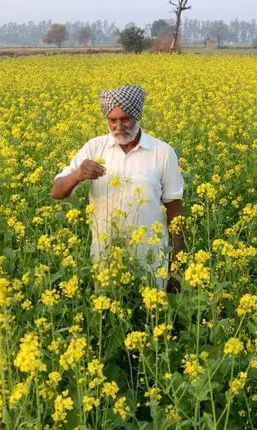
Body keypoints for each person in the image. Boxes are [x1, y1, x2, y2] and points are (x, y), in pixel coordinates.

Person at [51, 85, 184, 292]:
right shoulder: (94, 148)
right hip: (106, 257)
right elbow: (57, 192)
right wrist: (79, 174)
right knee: (109, 314)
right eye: (112, 120)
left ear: (138, 116)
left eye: (125, 119)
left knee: (152, 316)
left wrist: (176, 267)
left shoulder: (163, 153)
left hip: (150, 258)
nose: (119, 126)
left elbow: (175, 214)